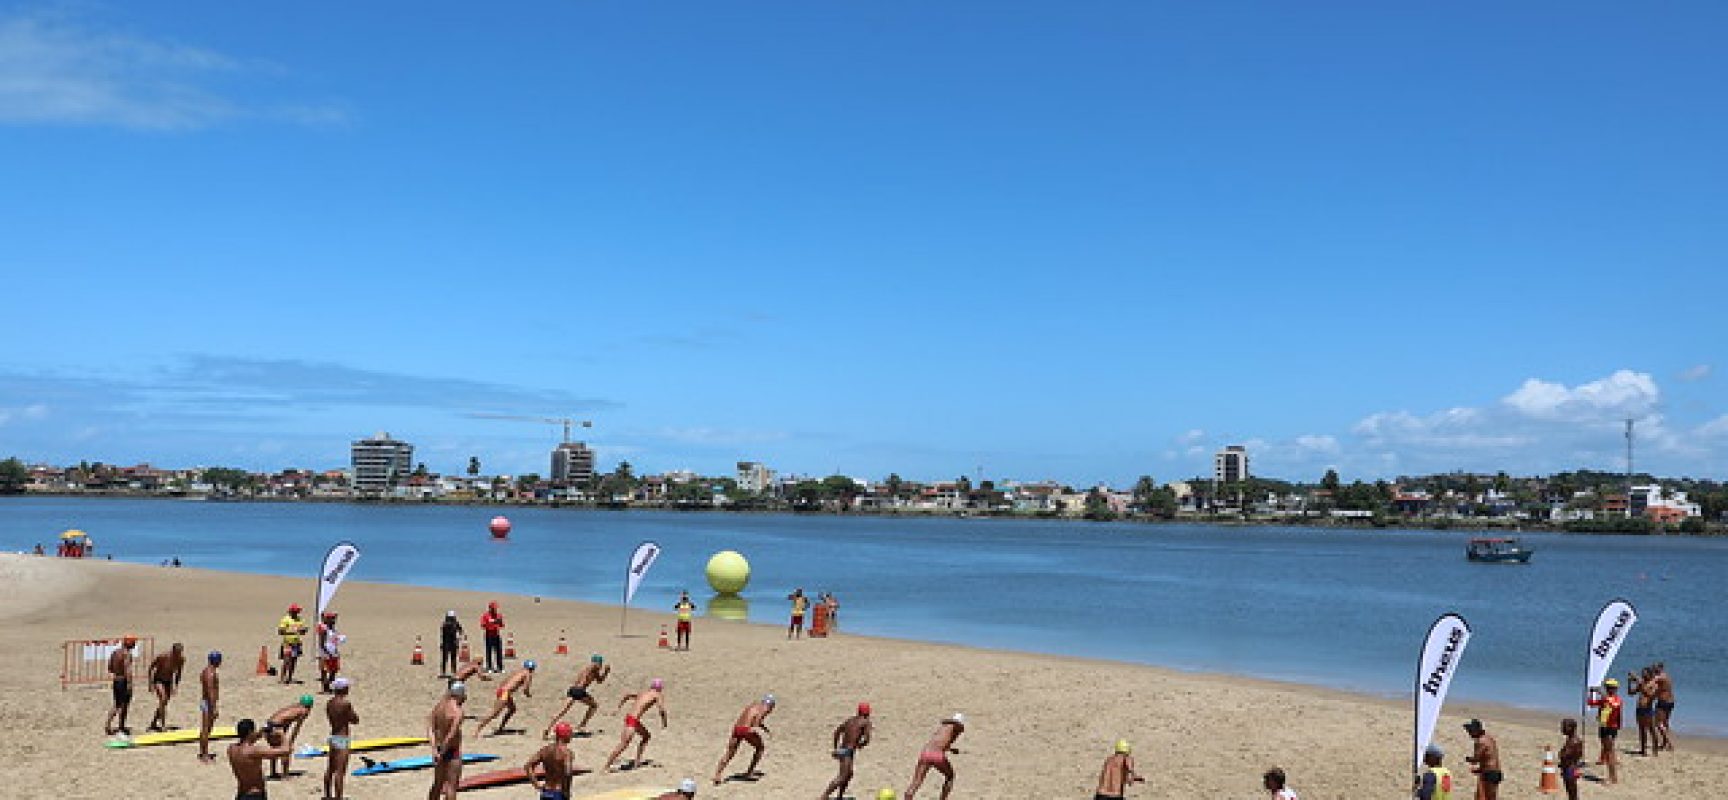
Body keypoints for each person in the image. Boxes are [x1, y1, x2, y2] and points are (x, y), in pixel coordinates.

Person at [604, 678, 669, 772]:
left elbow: (627, 695)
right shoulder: (657, 695)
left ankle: (637, 762)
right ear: (660, 688)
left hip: (630, 718)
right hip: (633, 720)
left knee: (646, 736)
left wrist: (618, 708)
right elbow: (662, 710)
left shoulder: (644, 693)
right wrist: (664, 722)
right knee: (623, 744)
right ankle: (606, 766)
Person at [712, 694, 776, 785]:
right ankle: (749, 772)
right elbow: (757, 720)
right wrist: (755, 728)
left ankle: (717, 775)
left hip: (737, 728)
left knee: (729, 753)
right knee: (760, 748)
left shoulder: (754, 705)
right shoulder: (765, 709)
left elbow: (749, 717)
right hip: (746, 730)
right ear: (771, 705)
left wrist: (764, 728)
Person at [544, 653, 610, 738]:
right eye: (600, 663)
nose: (600, 665)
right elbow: (592, 668)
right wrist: (597, 666)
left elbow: (600, 681)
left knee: (563, 711)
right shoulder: (593, 668)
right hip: (579, 690)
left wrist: (606, 672)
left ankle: (548, 728)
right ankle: (582, 725)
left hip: (573, 690)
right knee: (594, 706)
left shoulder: (594, 671)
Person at [229, 718, 297, 800]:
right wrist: (282, 735)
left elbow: (246, 741)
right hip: (255, 794)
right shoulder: (254, 751)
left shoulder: (231, 749)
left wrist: (261, 732)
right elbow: (286, 751)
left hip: (241, 794)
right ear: (250, 732)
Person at [905, 713, 964, 800]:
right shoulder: (956, 728)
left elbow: (939, 742)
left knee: (916, 781)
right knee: (950, 776)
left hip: (925, 752)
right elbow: (943, 745)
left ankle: (907, 797)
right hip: (937, 755)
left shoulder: (943, 728)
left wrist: (951, 749)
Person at [822, 702, 873, 800]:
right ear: (868, 713)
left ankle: (840, 796)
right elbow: (867, 739)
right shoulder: (866, 722)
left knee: (849, 774)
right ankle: (824, 796)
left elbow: (837, 732)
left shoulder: (850, 720)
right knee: (843, 776)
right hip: (848, 752)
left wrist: (836, 747)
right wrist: (860, 745)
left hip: (842, 750)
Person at [428, 681, 468, 800]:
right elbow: (451, 735)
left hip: (439, 748)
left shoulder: (439, 706)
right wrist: (443, 752)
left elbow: (430, 727)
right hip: (451, 750)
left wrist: (435, 749)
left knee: (437, 784)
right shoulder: (458, 712)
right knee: (451, 786)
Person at [474, 660, 536, 736]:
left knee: (512, 709)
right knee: (495, 714)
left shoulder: (519, 672)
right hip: (505, 693)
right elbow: (525, 689)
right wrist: (528, 695)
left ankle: (501, 728)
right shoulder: (528, 674)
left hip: (502, 690)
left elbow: (504, 682)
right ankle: (478, 729)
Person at [263, 695, 315, 780]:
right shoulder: (304, 711)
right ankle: (285, 775)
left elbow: (285, 721)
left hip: (267, 727)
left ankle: (273, 772)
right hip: (276, 728)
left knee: (274, 749)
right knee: (286, 750)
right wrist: (291, 741)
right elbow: (297, 728)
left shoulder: (294, 707)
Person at [324, 677, 359, 800]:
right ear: (343, 689)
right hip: (343, 738)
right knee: (340, 771)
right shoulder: (345, 704)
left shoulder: (330, 703)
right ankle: (339, 797)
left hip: (333, 735)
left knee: (330, 768)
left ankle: (327, 795)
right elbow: (355, 719)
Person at [527, 722, 578, 800]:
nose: (571, 737)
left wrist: (536, 784)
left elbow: (528, 766)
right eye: (570, 734)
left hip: (546, 792)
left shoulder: (545, 750)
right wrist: (566, 791)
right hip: (558, 793)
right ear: (565, 735)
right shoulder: (567, 753)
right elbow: (568, 773)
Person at [1586, 679, 1622, 784]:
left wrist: (1598, 692)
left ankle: (1613, 777)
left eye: (1609, 687)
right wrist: (1591, 694)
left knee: (1609, 753)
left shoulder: (1613, 700)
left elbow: (1610, 703)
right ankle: (1612, 776)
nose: (1608, 689)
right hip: (1606, 727)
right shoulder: (1610, 700)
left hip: (1609, 728)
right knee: (1608, 751)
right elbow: (1591, 703)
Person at [146, 641, 185, 732]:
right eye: (176, 653)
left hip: (169, 681)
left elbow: (178, 673)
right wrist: (150, 683)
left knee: (163, 704)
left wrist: (176, 685)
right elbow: (151, 668)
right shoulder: (163, 656)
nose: (178, 655)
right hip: (158, 680)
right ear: (172, 651)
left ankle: (154, 722)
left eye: (180, 653)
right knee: (163, 700)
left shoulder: (181, 660)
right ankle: (163, 725)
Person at [104, 635, 138, 736]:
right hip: (123, 680)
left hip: (116, 680)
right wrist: (129, 684)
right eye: (133, 642)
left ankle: (108, 724)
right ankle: (121, 726)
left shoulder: (115, 652)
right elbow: (128, 669)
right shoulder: (127, 654)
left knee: (116, 704)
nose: (135, 644)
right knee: (124, 705)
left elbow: (110, 667)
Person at [1461, 719, 1501, 800]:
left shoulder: (1480, 742)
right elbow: (1488, 757)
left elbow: (1476, 759)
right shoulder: (1489, 738)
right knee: (1491, 797)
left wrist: (1468, 759)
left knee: (1481, 797)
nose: (1469, 734)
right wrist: (1479, 769)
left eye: (1470, 731)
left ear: (1476, 731)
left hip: (1488, 773)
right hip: (1496, 772)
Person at [198, 651, 222, 762]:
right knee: (206, 729)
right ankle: (204, 754)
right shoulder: (210, 674)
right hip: (208, 703)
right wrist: (214, 708)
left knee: (206, 729)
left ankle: (203, 752)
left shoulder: (206, 671)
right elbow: (210, 692)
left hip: (206, 702)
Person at [1627, 666, 1657, 756]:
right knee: (1642, 730)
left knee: (1652, 729)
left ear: (1649, 674)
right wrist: (1629, 682)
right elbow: (1631, 693)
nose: (1643, 675)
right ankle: (1643, 750)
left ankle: (1655, 750)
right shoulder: (1641, 683)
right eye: (1642, 673)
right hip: (1640, 709)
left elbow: (1649, 694)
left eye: (1645, 673)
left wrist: (1638, 681)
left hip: (1648, 709)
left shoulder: (1653, 684)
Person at [278, 604, 309, 685]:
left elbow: (301, 631)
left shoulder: (299, 619)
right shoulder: (286, 619)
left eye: (298, 611)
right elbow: (280, 631)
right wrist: (293, 631)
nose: (297, 612)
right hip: (287, 643)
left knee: (294, 661)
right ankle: (282, 678)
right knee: (286, 661)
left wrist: (303, 630)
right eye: (295, 611)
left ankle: (290, 677)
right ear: (291, 611)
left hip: (296, 643)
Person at [316, 612, 344, 694]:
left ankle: (330, 687)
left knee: (333, 671)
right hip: (325, 653)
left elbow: (333, 640)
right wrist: (327, 652)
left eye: (333, 619)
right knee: (324, 671)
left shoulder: (333, 629)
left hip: (333, 652)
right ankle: (325, 688)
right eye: (331, 619)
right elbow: (322, 643)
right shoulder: (324, 629)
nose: (333, 620)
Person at [1558, 718, 1584, 800]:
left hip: (1570, 769)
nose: (1562, 729)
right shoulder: (1570, 740)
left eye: (1564, 727)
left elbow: (1566, 754)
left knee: (1572, 791)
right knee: (1570, 791)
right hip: (1568, 767)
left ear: (1571, 728)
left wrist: (1562, 754)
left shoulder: (1574, 741)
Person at [1652, 662, 1676, 752]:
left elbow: (1651, 684)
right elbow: (1661, 689)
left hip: (1663, 702)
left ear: (1659, 668)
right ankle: (1664, 743)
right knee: (1665, 723)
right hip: (1671, 702)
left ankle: (1669, 744)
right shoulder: (1667, 677)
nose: (1654, 670)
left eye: (1655, 669)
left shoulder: (1659, 677)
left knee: (1658, 723)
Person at [480, 601, 506, 673]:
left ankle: (500, 667)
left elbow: (502, 625)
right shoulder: (485, 616)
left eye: (496, 608)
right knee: (489, 652)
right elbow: (482, 625)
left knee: (499, 652)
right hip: (489, 635)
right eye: (494, 608)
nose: (495, 610)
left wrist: (499, 622)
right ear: (490, 608)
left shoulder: (499, 615)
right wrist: (490, 623)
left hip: (497, 635)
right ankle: (489, 667)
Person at [439, 610, 465, 678]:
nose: (450, 619)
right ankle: (443, 672)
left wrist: (459, 637)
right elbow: (442, 635)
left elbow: (461, 631)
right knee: (445, 658)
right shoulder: (445, 624)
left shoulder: (455, 623)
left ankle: (454, 672)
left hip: (453, 642)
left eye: (451, 618)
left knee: (453, 658)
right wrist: (441, 643)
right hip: (446, 643)